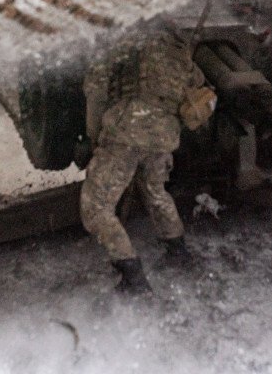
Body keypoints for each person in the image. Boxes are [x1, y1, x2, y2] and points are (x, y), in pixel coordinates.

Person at [80, 22, 208, 294]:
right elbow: (197, 87)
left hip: (127, 131)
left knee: (96, 208)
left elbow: (96, 86)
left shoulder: (124, 42)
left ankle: (133, 279)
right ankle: (178, 252)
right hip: (164, 135)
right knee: (154, 190)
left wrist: (94, 135)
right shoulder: (178, 50)